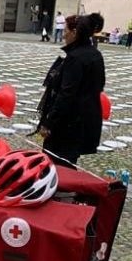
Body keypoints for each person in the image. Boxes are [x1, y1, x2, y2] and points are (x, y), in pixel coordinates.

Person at [38, 13, 106, 167]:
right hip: (84, 120)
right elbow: (100, 85)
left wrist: (49, 123)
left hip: (67, 123)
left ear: (75, 33)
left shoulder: (75, 58)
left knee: (56, 165)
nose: (63, 34)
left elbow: (66, 94)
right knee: (68, 163)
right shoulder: (95, 54)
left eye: (66, 30)